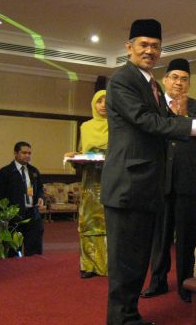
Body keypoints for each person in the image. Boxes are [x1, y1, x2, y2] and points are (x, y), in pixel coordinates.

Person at [100, 19, 196, 325]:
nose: (149, 50)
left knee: (137, 258)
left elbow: (167, 121)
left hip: (146, 185)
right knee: (125, 261)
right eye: (143, 45)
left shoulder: (151, 84)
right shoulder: (122, 80)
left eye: (155, 46)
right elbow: (146, 121)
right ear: (129, 47)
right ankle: (121, 319)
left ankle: (129, 316)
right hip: (128, 185)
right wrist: (195, 126)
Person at [140, 58, 196, 303]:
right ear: (165, 80)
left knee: (186, 237)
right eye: (174, 78)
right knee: (159, 236)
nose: (179, 83)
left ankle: (185, 285)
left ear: (189, 83)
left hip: (189, 180)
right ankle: (157, 282)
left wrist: (185, 115)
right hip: (159, 179)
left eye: (184, 79)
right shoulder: (154, 106)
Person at [76, 89, 109, 278]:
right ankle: (88, 266)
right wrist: (73, 156)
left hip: (112, 180)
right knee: (89, 222)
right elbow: (82, 152)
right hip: (90, 182)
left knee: (110, 223)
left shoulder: (117, 125)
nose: (103, 105)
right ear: (93, 104)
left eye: (107, 101)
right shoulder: (86, 127)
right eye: (99, 101)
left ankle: (108, 265)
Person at [0, 141, 45, 256]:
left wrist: (40, 197)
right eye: (24, 153)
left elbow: (40, 188)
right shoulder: (4, 173)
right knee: (13, 252)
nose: (27, 155)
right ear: (15, 153)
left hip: (33, 215)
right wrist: (4, 217)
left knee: (34, 251)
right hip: (14, 218)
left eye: (29, 153)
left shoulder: (34, 171)